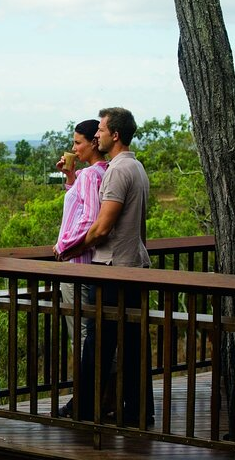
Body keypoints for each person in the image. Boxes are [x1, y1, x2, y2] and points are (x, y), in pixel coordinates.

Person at [66, 107, 154, 424]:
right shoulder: (137, 167)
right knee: (132, 345)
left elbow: (102, 228)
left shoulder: (117, 171)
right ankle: (138, 411)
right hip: (133, 266)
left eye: (101, 130)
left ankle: (86, 410)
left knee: (97, 346)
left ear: (114, 135)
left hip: (113, 268)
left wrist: (69, 246)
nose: (98, 134)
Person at [52, 120, 107, 354]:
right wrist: (70, 176)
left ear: (94, 143)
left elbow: (88, 219)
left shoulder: (90, 175)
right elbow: (80, 206)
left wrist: (63, 245)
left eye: (77, 142)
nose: (74, 148)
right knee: (95, 333)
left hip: (78, 265)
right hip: (94, 264)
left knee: (81, 335)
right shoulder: (100, 172)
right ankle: (98, 389)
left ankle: (86, 389)